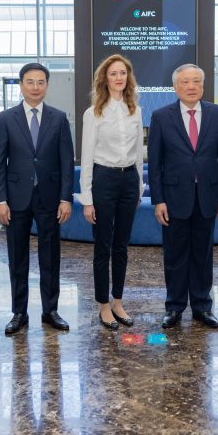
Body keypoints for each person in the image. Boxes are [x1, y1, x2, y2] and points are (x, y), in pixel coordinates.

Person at [147, 64, 218, 329]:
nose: (191, 86)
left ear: (203, 86)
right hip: (174, 198)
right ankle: (174, 307)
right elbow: (155, 162)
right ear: (176, 87)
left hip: (208, 196)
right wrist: (158, 200)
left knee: (203, 255)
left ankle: (202, 307)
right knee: (174, 255)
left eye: (196, 81)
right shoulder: (161, 116)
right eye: (185, 82)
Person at [0, 62, 75, 334]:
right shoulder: (6, 118)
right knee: (17, 257)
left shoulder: (58, 118)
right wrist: (0, 200)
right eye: (30, 82)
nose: (35, 87)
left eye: (41, 82)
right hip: (16, 199)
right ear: (21, 85)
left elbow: (66, 161)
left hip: (50, 198)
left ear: (47, 86)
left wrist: (65, 198)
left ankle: (50, 310)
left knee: (50, 256)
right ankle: (19, 312)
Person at [79, 55, 142, 331]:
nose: (119, 78)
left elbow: (138, 153)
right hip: (103, 179)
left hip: (129, 180)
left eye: (123, 73)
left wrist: (138, 188)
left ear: (128, 78)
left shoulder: (135, 110)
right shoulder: (94, 112)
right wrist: (87, 200)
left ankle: (118, 301)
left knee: (122, 245)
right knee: (102, 246)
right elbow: (86, 158)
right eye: (113, 73)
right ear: (105, 78)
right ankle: (103, 305)